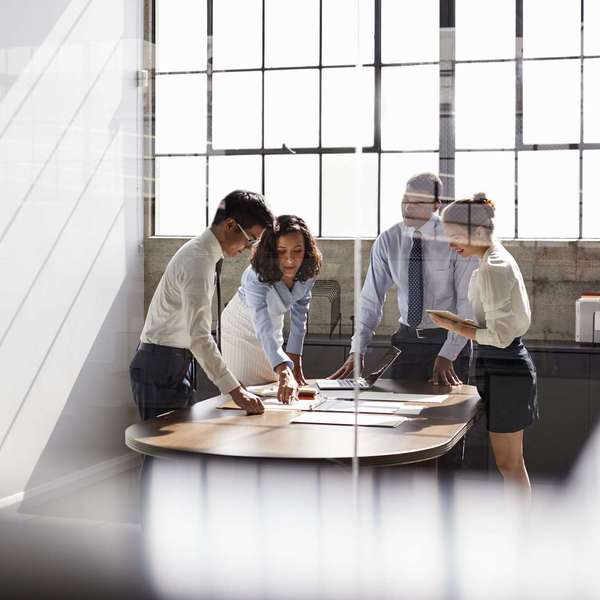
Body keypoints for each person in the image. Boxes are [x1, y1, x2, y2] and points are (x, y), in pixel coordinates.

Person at [129, 190, 275, 420]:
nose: (249, 247)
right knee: (165, 451)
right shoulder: (198, 261)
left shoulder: (204, 255)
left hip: (171, 362)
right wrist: (236, 391)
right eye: (251, 239)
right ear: (230, 225)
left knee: (176, 450)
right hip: (161, 365)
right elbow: (199, 336)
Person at [430, 193, 538, 496]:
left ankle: (519, 538)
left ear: (477, 231)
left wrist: (454, 325)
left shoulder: (494, 266)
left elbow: (501, 336)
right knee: (511, 465)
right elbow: (495, 326)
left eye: (454, 236)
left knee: (509, 464)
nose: (451, 244)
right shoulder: (490, 260)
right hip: (500, 365)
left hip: (507, 366)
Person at [330, 172, 477, 386]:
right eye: (405, 200)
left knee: (445, 415)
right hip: (406, 341)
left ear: (436, 204)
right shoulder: (389, 240)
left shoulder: (456, 240)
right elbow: (371, 299)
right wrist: (358, 349)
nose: (408, 208)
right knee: (399, 411)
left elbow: (467, 304)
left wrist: (449, 354)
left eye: (417, 202)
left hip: (448, 341)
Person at [221, 215, 322, 404]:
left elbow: (301, 312)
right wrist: (283, 368)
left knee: (275, 392)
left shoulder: (309, 270)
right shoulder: (256, 275)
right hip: (241, 327)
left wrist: (294, 357)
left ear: (306, 251)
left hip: (273, 323)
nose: (290, 260)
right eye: (281, 251)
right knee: (244, 396)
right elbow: (260, 324)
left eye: (297, 251)